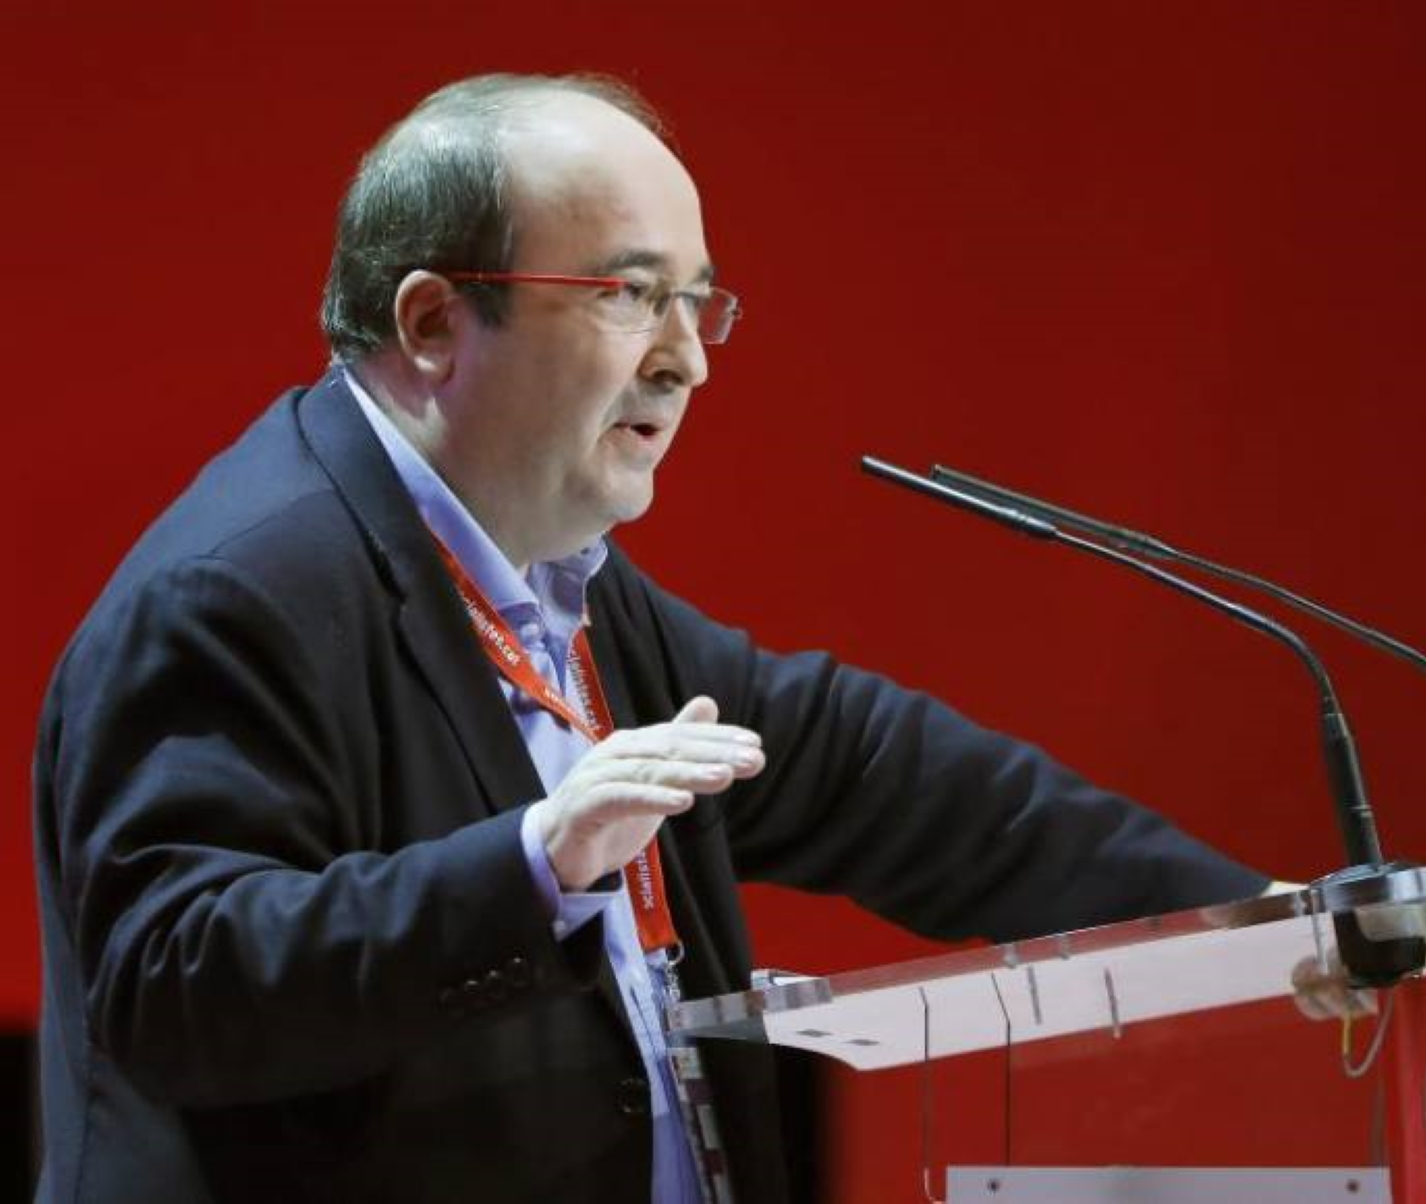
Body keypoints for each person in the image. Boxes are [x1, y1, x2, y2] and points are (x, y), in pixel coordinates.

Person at [31, 73, 1270, 1203]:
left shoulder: (551, 581)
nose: (685, 361)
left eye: (693, 301)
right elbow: (172, 984)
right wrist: (533, 861)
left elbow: (861, 767)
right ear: (431, 323)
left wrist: (1241, 924)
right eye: (628, 295)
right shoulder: (239, 590)